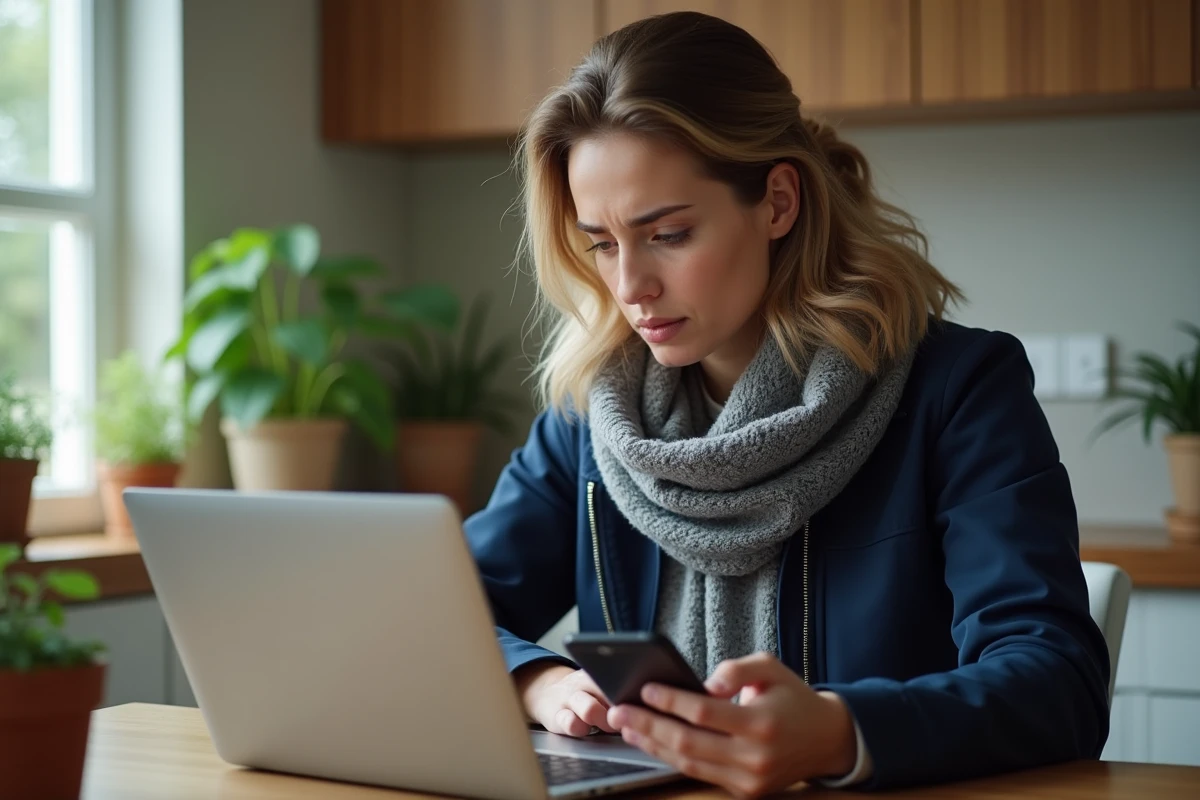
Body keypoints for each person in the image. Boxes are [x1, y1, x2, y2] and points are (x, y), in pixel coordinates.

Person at [463, 11, 1110, 797]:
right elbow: (441, 615)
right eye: (602, 243)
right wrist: (534, 680)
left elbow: (1057, 681)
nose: (629, 287)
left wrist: (841, 732)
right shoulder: (590, 422)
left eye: (666, 233)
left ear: (776, 202)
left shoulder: (958, 389)